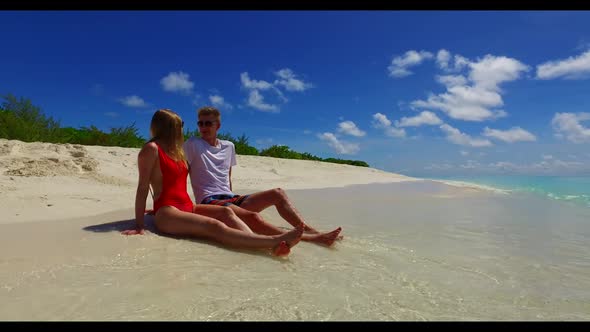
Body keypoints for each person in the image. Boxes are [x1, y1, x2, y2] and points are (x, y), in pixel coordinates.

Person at [122, 108, 304, 256]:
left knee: (226, 213)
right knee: (214, 226)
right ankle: (273, 242)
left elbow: (174, 183)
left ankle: (256, 243)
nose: (182, 130)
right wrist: (139, 224)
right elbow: (143, 187)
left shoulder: (176, 151)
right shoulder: (151, 149)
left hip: (187, 206)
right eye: (179, 126)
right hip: (168, 211)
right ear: (168, 127)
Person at [183, 106, 342, 246]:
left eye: (208, 123)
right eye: (200, 123)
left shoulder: (229, 146)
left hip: (231, 197)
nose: (203, 127)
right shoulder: (192, 144)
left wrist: (235, 202)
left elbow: (227, 176)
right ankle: (311, 239)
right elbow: (182, 171)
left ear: (218, 125)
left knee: (277, 193)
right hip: (210, 200)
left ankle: (309, 230)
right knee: (254, 217)